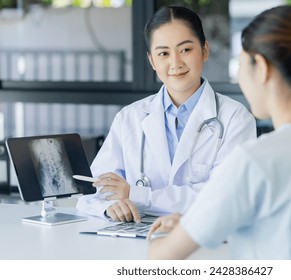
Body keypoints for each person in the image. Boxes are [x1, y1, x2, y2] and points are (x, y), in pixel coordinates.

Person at [147, 5, 291, 259]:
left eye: (241, 64)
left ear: (262, 68)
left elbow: (163, 257)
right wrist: (195, 225)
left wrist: (163, 234)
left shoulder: (256, 160)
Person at [76, 6, 256, 222]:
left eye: (186, 50)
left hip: (203, 239)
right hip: (136, 239)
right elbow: (92, 191)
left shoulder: (235, 118)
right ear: (152, 61)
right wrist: (110, 207)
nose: (175, 63)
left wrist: (137, 194)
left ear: (204, 50)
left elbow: (224, 195)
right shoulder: (130, 118)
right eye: (163, 53)